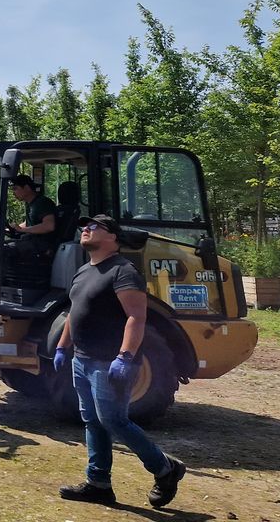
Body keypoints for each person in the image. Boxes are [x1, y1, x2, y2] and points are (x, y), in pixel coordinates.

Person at [54, 213, 185, 508]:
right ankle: (98, 482)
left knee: (113, 419)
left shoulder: (123, 271)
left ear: (113, 237)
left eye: (94, 226)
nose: (85, 229)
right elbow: (74, 314)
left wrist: (125, 356)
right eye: (84, 226)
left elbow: (136, 317)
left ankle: (166, 468)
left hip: (108, 361)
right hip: (82, 360)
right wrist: (63, 348)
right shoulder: (84, 271)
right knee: (92, 421)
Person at [7, 174, 57, 261]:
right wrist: (11, 229)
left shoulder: (42, 203)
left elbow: (49, 226)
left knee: (4, 250)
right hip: (32, 242)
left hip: (42, 246)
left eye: (15, 188)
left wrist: (22, 230)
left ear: (26, 188)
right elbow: (29, 223)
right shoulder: (30, 204)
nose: (13, 193)